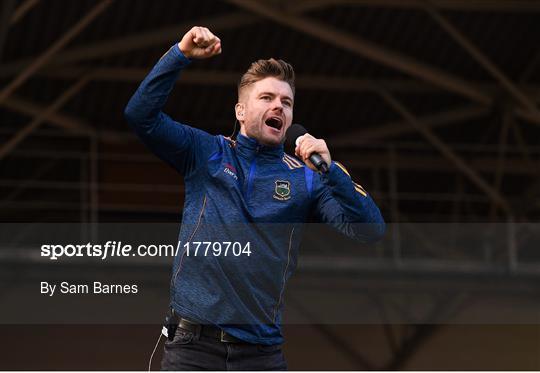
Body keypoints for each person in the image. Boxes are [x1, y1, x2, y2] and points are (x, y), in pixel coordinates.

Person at [125, 26, 385, 371]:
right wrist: (179, 55)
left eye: (286, 102)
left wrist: (331, 170)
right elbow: (140, 116)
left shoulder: (308, 177)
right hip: (193, 347)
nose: (278, 105)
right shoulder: (207, 153)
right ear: (240, 111)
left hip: (261, 354)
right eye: (267, 98)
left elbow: (370, 230)